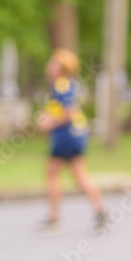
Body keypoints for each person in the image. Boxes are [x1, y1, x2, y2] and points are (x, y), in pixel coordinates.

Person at [36, 48, 108, 234]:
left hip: (66, 135)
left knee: (53, 173)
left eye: (54, 63)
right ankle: (100, 211)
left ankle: (54, 218)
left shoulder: (61, 85)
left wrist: (49, 124)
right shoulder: (70, 84)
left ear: (61, 68)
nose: (49, 66)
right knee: (78, 174)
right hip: (75, 134)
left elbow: (68, 112)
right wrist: (48, 117)